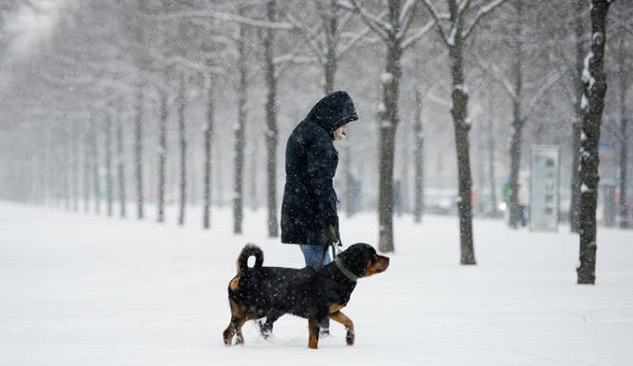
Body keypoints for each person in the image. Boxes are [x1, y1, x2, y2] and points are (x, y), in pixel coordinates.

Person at [275, 90, 358, 336]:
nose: (344, 128)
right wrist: (329, 216)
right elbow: (321, 182)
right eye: (344, 122)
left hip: (300, 212)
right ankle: (319, 329)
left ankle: (319, 326)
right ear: (334, 117)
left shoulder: (306, 131)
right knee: (321, 279)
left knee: (318, 273)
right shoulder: (318, 139)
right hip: (311, 217)